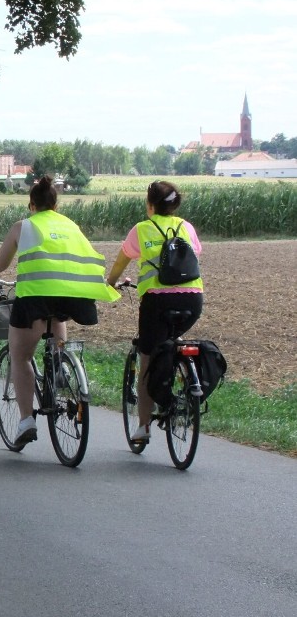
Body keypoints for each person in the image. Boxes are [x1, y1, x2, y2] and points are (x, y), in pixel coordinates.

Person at [0, 176, 119, 449]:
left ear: (32, 205)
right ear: (56, 204)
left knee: (20, 355)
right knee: (57, 325)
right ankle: (60, 364)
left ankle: (27, 420)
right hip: (73, 295)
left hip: (36, 295)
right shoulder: (71, 226)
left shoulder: (23, 227)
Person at [105, 180, 203, 443]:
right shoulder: (186, 227)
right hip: (193, 301)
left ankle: (144, 427)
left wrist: (111, 283)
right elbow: (194, 255)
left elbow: (121, 261)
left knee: (147, 358)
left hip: (157, 303)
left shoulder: (141, 230)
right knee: (173, 340)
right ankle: (178, 385)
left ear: (150, 205)